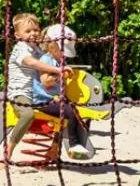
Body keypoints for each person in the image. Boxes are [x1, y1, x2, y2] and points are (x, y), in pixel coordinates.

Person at [32, 23, 95, 161]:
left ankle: (55, 149)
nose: (64, 54)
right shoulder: (46, 59)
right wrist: (61, 75)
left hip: (55, 98)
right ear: (52, 45)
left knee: (77, 110)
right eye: (62, 50)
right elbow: (45, 82)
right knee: (70, 113)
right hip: (43, 100)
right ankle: (73, 144)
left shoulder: (58, 61)